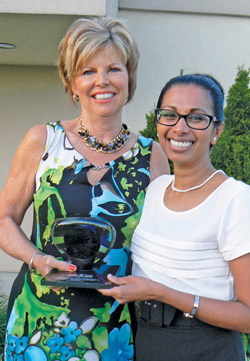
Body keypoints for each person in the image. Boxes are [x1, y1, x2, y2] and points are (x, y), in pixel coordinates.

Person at [0, 17, 169, 361]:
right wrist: (35, 257)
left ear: (129, 78)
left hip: (118, 328)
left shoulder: (153, 155)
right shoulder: (42, 141)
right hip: (39, 325)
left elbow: (164, 243)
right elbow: (3, 218)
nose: (102, 81)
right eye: (87, 71)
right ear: (71, 83)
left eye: (114, 69)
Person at [100, 74, 250, 360]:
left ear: (216, 130)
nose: (179, 128)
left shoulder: (234, 200)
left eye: (196, 118)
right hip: (148, 340)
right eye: (169, 115)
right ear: (158, 124)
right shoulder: (156, 189)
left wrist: (160, 293)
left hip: (204, 345)